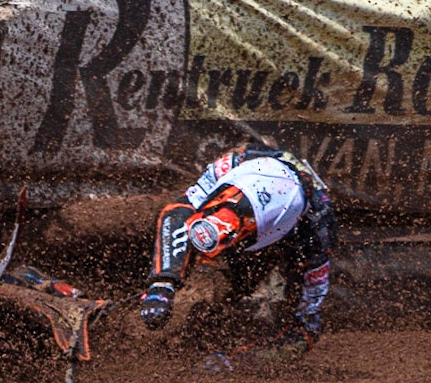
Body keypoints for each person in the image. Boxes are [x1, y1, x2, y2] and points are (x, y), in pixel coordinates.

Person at [138, 142, 336, 370]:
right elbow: (178, 210)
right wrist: (163, 283)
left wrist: (234, 362)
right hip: (240, 214)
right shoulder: (236, 161)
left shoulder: (315, 239)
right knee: (172, 225)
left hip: (264, 256)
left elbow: (305, 331)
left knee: (227, 300)